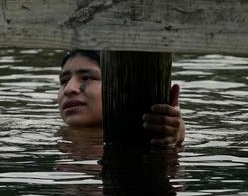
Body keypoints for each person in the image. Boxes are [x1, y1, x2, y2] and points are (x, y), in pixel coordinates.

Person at [57, 49, 185, 147]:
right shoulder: (54, 137)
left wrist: (175, 139)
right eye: (64, 81)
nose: (68, 89)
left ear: (123, 85)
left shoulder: (148, 138)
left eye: (87, 78)